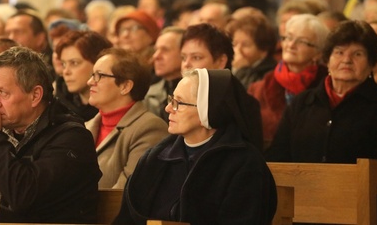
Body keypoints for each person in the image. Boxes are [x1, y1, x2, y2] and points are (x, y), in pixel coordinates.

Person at [113, 68, 277, 225]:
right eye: (171, 100)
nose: (168, 108)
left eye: (180, 103)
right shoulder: (155, 158)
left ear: (209, 110)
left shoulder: (244, 163)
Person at [0, 46, 101, 223]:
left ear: (35, 95)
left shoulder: (72, 138)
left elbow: (22, 195)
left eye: (3, 93)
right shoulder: (0, 130)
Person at [266, 20, 377, 163]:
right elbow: (278, 155)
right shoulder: (302, 103)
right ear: (327, 60)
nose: (346, 60)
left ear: (371, 63)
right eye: (339, 52)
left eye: (357, 54)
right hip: (301, 184)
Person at [86, 48, 168, 188]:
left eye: (99, 76)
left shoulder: (149, 128)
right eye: (92, 75)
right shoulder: (86, 126)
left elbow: (124, 194)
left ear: (125, 86)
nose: (89, 82)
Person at [248, 14, 330, 149]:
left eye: (302, 41)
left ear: (318, 53)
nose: (291, 45)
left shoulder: (328, 88)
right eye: (288, 38)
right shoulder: (257, 89)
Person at [180, 23, 264, 151]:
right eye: (183, 57)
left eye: (196, 57)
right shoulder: (177, 94)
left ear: (220, 61)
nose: (186, 64)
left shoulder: (241, 104)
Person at [55, 30, 112, 121]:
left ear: (98, 63)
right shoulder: (55, 104)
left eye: (74, 63)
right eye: (64, 64)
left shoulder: (114, 105)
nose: (66, 71)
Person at [144, 27, 184, 122]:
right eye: (156, 50)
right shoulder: (147, 96)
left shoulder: (198, 96)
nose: (156, 56)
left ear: (184, 53)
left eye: (165, 50)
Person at [227, 15, 278, 89]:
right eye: (234, 44)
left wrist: (241, 70)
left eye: (245, 45)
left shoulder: (269, 74)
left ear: (263, 51)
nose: (237, 50)